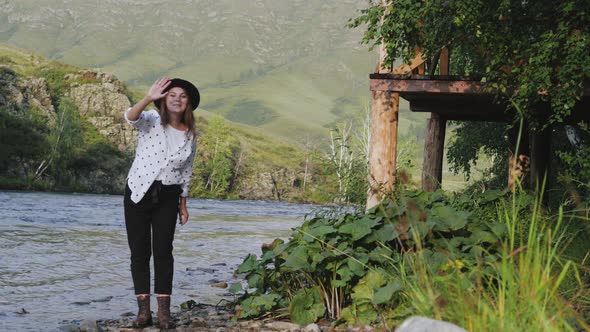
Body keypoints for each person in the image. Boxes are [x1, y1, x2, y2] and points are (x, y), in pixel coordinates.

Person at [123, 77, 199, 329]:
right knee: (140, 252)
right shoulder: (151, 121)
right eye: (172, 94)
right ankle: (143, 313)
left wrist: (183, 204)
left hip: (169, 196)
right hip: (138, 192)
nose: (177, 99)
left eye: (183, 96)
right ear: (164, 99)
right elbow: (130, 117)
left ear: (188, 103)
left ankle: (164, 313)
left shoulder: (190, 134)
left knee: (164, 252)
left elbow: (187, 170)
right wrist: (148, 97)